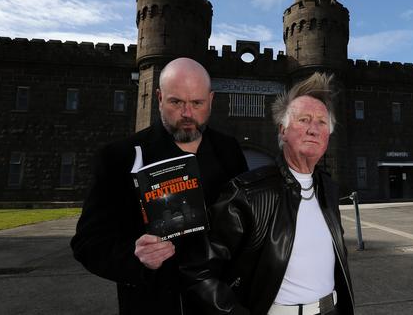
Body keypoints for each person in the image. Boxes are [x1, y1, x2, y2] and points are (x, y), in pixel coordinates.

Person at [71, 57, 248, 315]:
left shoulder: (229, 151)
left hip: (220, 305)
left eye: (197, 103)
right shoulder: (119, 157)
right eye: (176, 102)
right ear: (159, 97)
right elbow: (87, 243)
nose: (187, 114)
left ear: (211, 100)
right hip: (154, 304)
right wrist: (136, 258)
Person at [180, 72, 355, 315]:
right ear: (283, 131)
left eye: (322, 122)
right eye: (303, 120)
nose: (313, 129)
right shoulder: (247, 192)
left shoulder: (328, 189)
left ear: (328, 136)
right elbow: (198, 272)